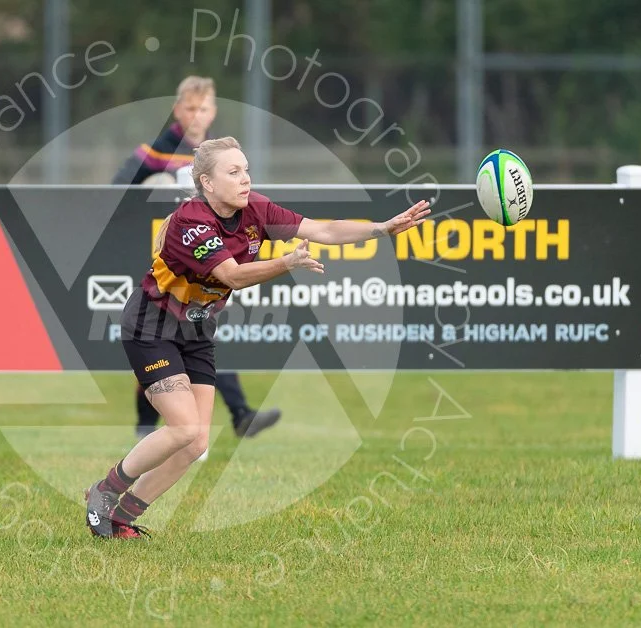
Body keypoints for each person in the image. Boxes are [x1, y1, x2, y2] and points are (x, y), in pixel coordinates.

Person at [85, 137, 430, 538]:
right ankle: (103, 492)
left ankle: (122, 517)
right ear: (207, 184)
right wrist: (286, 262)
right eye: (233, 172)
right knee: (182, 428)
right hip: (151, 327)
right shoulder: (191, 221)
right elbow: (231, 275)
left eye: (246, 169)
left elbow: (322, 229)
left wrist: (381, 228)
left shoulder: (256, 210)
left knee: (196, 444)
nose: (245, 178)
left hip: (196, 330)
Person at [112, 75, 282, 441]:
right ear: (177, 110)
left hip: (206, 255)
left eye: (203, 108)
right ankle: (147, 427)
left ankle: (239, 414)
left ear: (213, 111)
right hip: (168, 256)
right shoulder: (156, 151)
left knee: (198, 335)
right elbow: (118, 190)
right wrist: (155, 198)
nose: (196, 115)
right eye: (190, 107)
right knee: (162, 339)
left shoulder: (216, 155)